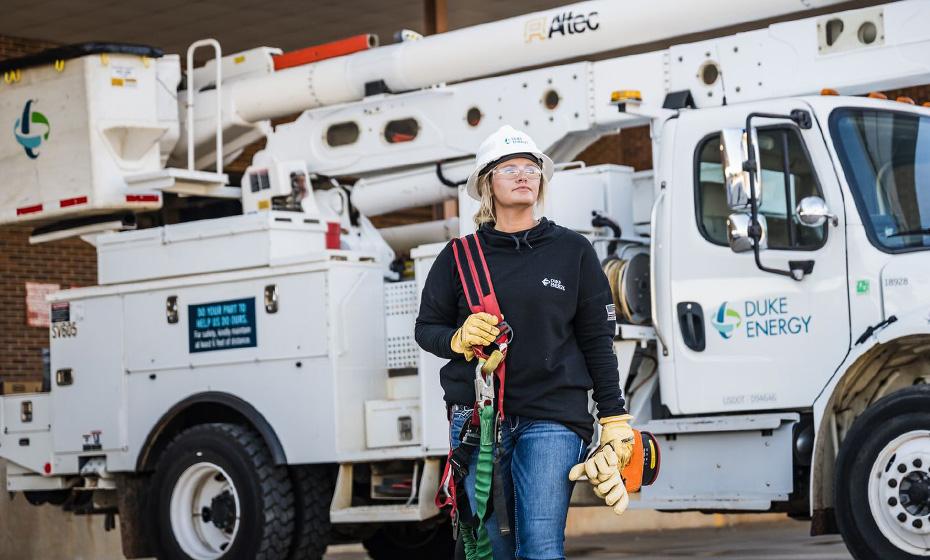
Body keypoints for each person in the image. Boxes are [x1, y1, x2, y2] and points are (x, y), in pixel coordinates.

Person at [415, 125, 635, 560]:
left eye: (532, 168)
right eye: (510, 168)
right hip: (479, 422)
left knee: (540, 546)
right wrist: (457, 339)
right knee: (491, 550)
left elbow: (597, 340)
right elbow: (427, 329)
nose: (523, 175)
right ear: (486, 184)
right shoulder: (458, 258)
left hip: (552, 417)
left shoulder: (573, 251)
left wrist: (614, 417)